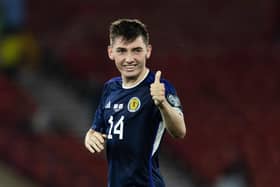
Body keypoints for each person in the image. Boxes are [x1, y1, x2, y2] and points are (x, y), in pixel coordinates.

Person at [84, 18, 186, 187]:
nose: (129, 58)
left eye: (136, 50)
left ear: (148, 51)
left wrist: (162, 104)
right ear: (111, 52)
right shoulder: (110, 88)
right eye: (122, 51)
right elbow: (96, 129)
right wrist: (90, 136)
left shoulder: (159, 87)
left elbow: (180, 131)